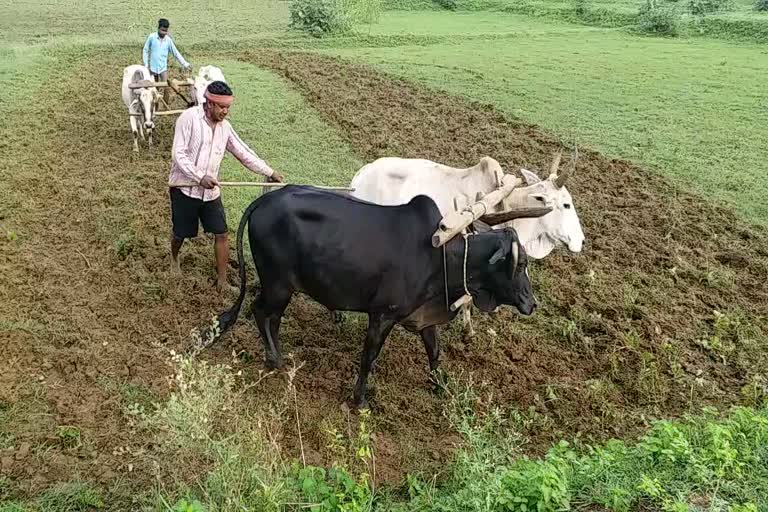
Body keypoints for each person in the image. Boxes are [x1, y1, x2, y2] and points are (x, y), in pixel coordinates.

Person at [168, 81, 285, 293]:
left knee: (221, 233)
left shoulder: (225, 128)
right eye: (221, 107)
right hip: (184, 188)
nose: (225, 112)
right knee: (181, 233)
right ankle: (174, 257)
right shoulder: (188, 119)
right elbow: (179, 154)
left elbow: (243, 152)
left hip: (211, 191)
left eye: (227, 108)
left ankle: (222, 281)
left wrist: (269, 171)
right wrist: (198, 175)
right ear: (209, 103)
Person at [142, 18, 190, 107]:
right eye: (162, 30)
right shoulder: (152, 37)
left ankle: (165, 105)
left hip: (163, 68)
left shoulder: (168, 40)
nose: (164, 33)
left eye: (165, 31)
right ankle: (154, 106)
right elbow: (145, 50)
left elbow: (176, 53)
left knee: (166, 87)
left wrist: (184, 63)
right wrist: (146, 64)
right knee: (154, 88)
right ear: (158, 28)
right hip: (152, 68)